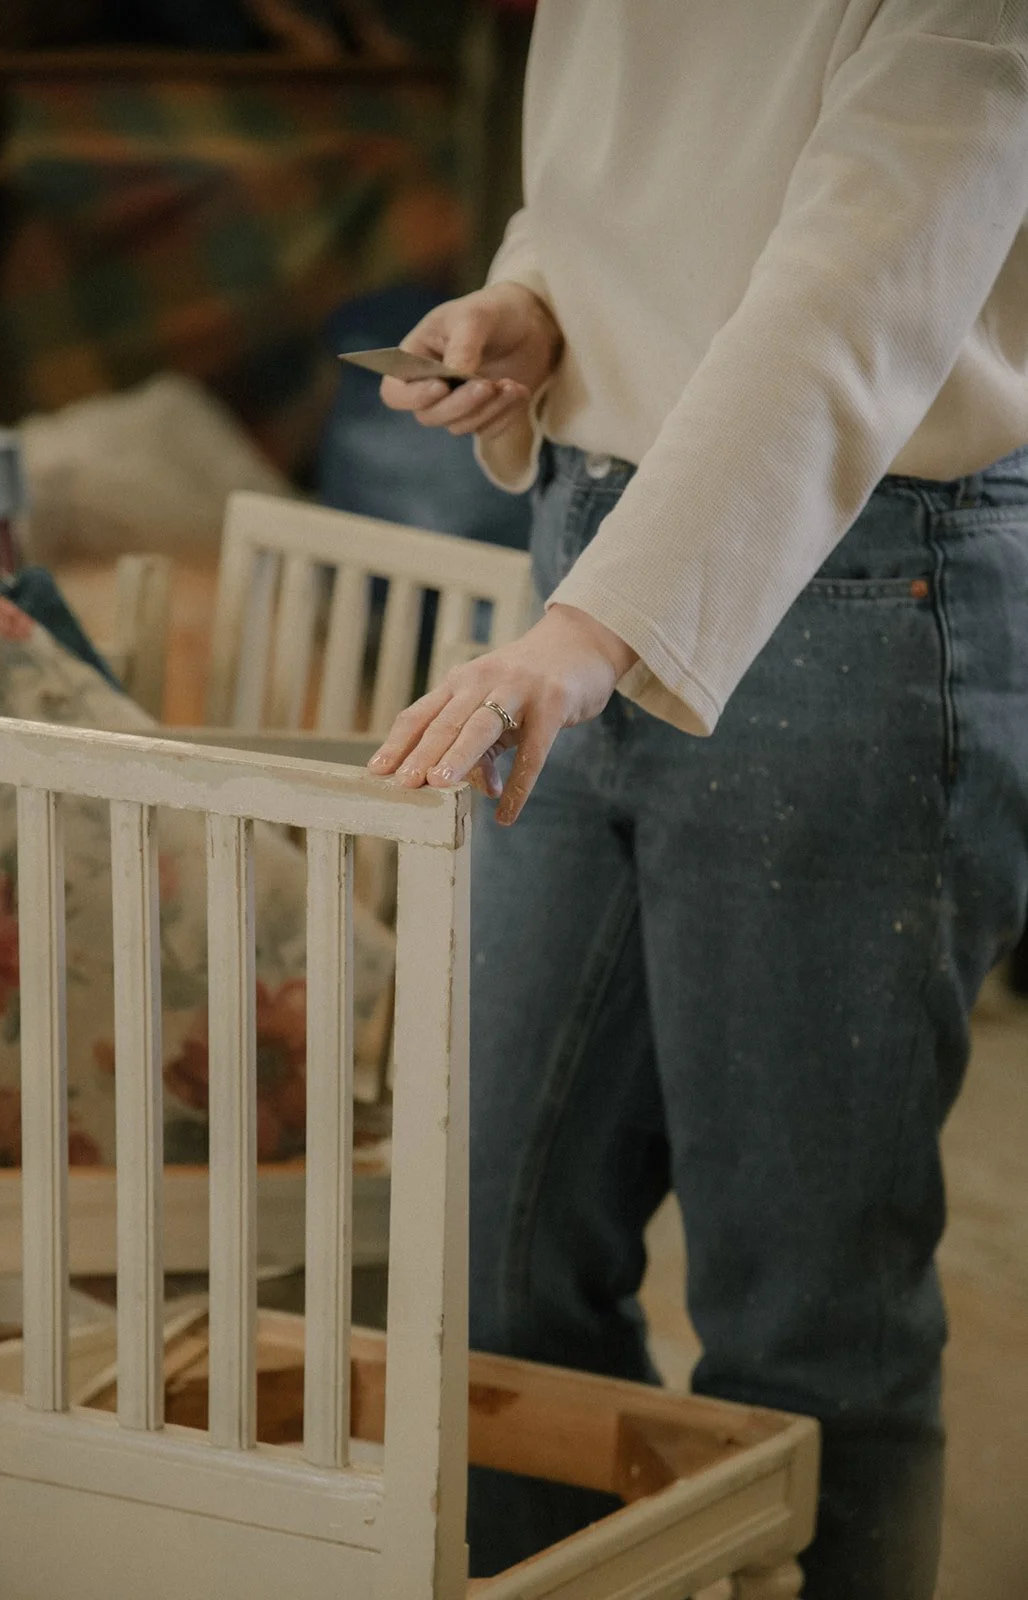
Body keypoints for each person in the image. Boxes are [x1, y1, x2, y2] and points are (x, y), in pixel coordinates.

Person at [369, 3, 1028, 1595]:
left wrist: (591, 637)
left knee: (804, 1330)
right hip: (590, 557)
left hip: (867, 581)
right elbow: (614, 194)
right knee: (491, 1270)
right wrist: (532, 304)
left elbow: (852, 294)